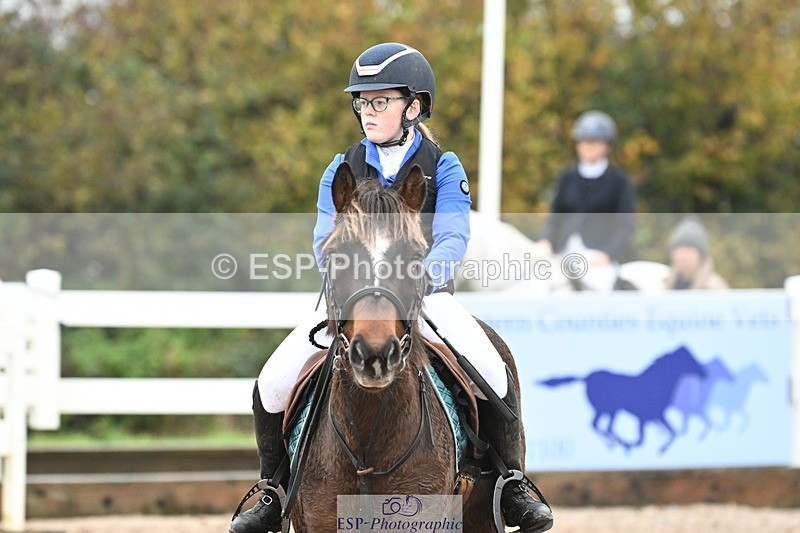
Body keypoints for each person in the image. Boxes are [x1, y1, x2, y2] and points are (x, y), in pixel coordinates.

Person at [229, 43, 553, 533]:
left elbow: (452, 238)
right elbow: (324, 239)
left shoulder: (444, 166)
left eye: (380, 101)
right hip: (354, 297)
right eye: (362, 102)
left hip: (422, 297)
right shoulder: (341, 167)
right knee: (271, 383)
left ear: (413, 107)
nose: (368, 111)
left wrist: (418, 278)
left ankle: (512, 484)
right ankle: (272, 491)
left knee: (492, 366)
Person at [538, 110, 636, 292]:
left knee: (601, 286)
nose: (587, 147)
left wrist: (607, 254)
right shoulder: (567, 177)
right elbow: (555, 216)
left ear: (606, 146)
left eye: (593, 142)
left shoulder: (618, 181)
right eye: (583, 141)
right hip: (563, 252)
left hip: (597, 256)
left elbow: (626, 225)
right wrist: (546, 239)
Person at [664, 216, 729, 290]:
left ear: (700, 254)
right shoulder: (662, 286)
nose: (682, 255)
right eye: (678, 249)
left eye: (688, 249)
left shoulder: (715, 289)